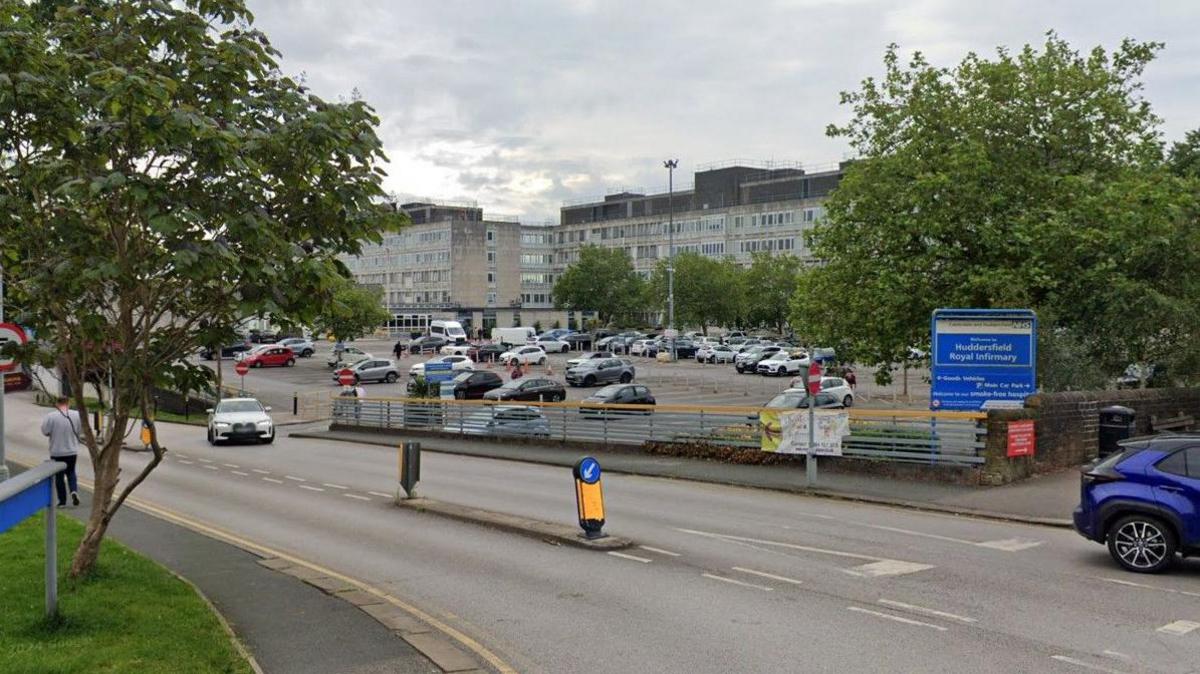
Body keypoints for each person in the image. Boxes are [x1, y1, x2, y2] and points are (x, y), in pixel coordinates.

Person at [41, 396, 81, 508]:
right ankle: (73, 490)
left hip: (56, 451)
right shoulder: (76, 415)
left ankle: (62, 501)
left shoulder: (51, 416)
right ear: (68, 403)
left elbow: (45, 431)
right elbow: (80, 431)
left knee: (59, 477)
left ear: (57, 404)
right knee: (71, 472)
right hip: (72, 450)